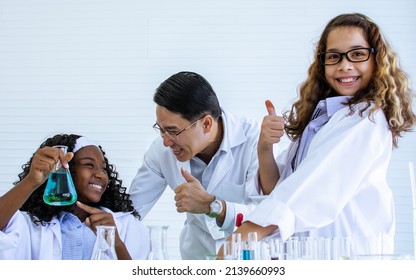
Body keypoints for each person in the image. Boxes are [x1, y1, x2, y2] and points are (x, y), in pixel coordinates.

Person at [219, 13, 416, 258]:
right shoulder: (323, 119)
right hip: (313, 256)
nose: (345, 65)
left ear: (376, 59)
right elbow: (276, 189)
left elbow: (312, 190)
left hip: (349, 256)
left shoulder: (366, 119)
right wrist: (265, 148)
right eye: (334, 57)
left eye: (357, 54)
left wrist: (243, 235)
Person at [128, 71, 261, 259]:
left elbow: (268, 216)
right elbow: (131, 211)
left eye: (173, 131)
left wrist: (213, 205)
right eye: (161, 129)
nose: (166, 141)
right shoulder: (161, 151)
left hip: (250, 262)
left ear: (206, 123)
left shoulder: (255, 141)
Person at [0, 134, 150, 260]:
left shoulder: (125, 224)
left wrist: (115, 242)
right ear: (66, 170)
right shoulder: (30, 225)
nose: (101, 174)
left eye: (104, 169)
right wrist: (32, 180)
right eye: (89, 165)